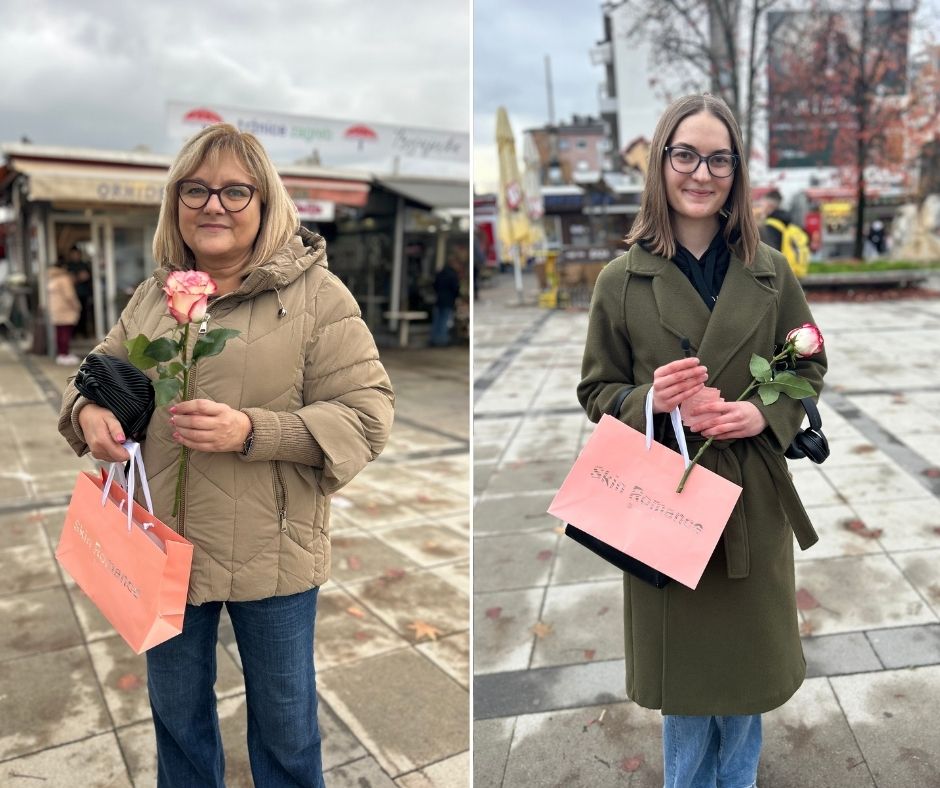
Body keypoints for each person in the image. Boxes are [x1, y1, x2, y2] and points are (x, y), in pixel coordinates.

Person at [58, 124, 395, 787]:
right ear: (176, 203)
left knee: (287, 726)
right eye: (197, 189)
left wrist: (252, 430)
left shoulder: (317, 298)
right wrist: (87, 412)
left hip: (273, 553)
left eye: (235, 190)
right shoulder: (155, 298)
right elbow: (93, 376)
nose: (214, 205)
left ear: (266, 202)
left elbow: (368, 413)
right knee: (177, 717)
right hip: (163, 550)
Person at [577, 94, 826, 787]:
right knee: (687, 694)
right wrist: (652, 402)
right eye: (685, 154)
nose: (701, 171)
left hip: (752, 503)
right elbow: (596, 392)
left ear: (737, 172)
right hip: (665, 508)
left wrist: (765, 417)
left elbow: (805, 361)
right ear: (660, 163)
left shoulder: (771, 271)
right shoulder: (620, 281)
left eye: (719, 158)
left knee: (745, 683)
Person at [47, 258, 81, 365]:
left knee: (59, 332)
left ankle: (61, 354)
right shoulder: (64, 279)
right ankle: (65, 354)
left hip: (55, 309)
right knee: (66, 332)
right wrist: (77, 306)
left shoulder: (52, 279)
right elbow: (69, 295)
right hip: (65, 309)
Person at [430, 256, 461, 347]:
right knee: (444, 320)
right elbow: (455, 288)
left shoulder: (441, 273)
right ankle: (442, 340)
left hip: (439, 299)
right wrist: (456, 296)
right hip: (448, 300)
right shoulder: (452, 274)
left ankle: (434, 339)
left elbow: (435, 285)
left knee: (437, 320)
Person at [65, 245, 94, 337]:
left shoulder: (84, 265)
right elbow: (70, 279)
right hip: (72, 295)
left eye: (76, 254)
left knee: (84, 314)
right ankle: (74, 334)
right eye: (73, 254)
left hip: (83, 294)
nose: (75, 256)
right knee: (72, 315)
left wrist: (77, 278)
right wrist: (78, 278)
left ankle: (84, 333)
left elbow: (87, 277)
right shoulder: (68, 266)